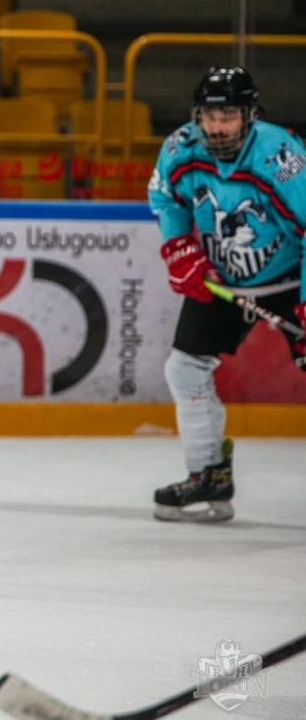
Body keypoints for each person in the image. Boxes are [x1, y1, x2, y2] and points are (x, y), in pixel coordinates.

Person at [147, 67, 306, 522]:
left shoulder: (281, 158)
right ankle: (209, 474)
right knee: (184, 368)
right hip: (223, 279)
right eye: (209, 116)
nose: (217, 127)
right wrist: (180, 247)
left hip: (291, 278)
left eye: (228, 116)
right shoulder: (180, 148)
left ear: (250, 116)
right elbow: (166, 199)